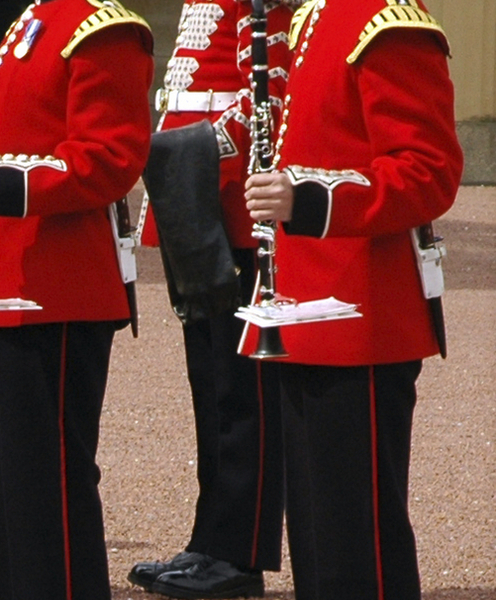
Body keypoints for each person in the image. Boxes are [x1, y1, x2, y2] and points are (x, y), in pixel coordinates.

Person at [239, 0, 459, 597]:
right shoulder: (315, 16)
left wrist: (307, 199)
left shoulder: (388, 24)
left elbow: (427, 172)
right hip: (305, 306)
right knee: (317, 540)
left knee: (358, 543)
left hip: (362, 313)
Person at [0, 1, 151, 599]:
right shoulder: (32, 20)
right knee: (11, 489)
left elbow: (109, 160)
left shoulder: (103, 29)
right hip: (8, 285)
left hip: (62, 287)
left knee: (48, 485)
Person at [126, 0, 295, 596]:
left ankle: (239, 552)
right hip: (192, 193)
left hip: (231, 200)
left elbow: (271, 87)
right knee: (211, 383)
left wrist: (201, 150)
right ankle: (211, 539)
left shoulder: (261, 15)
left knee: (241, 390)